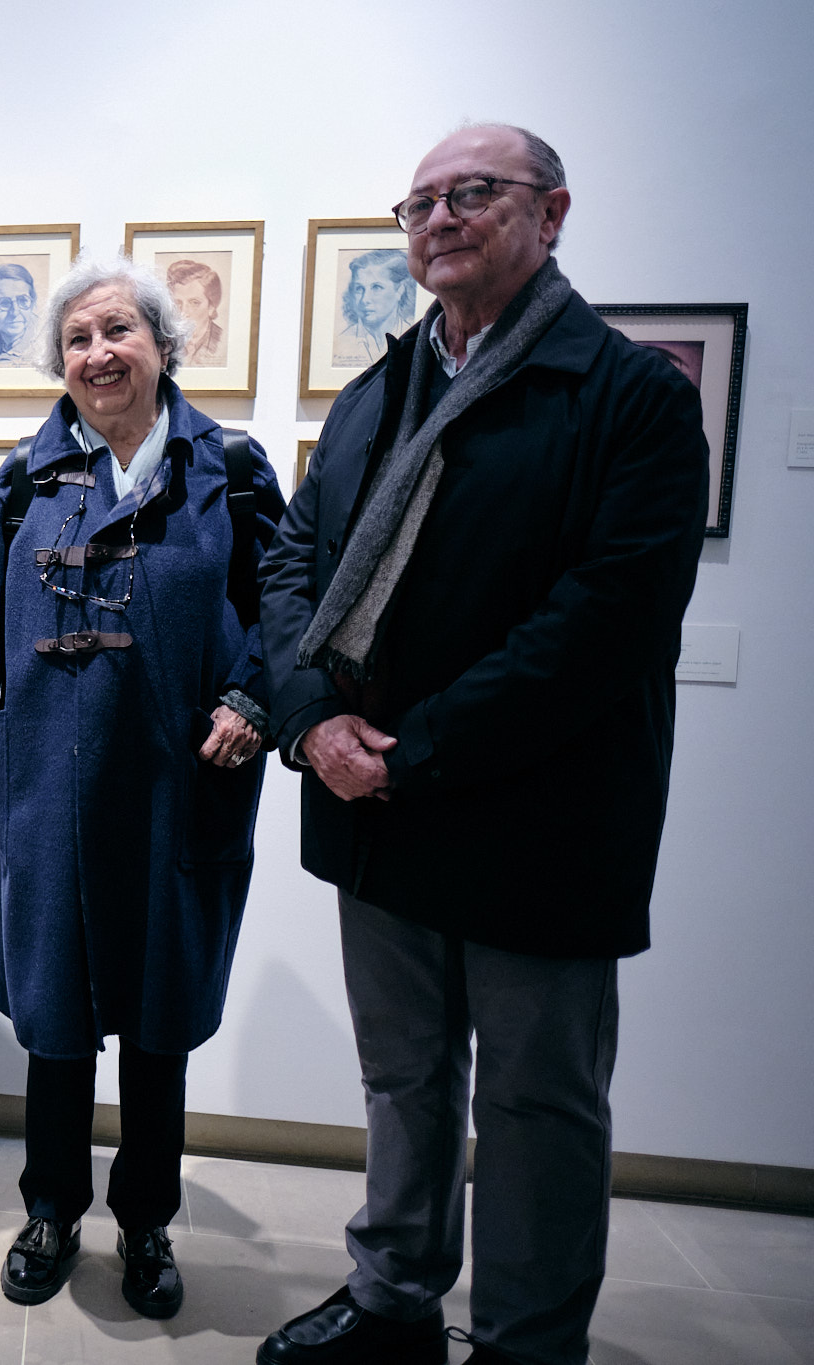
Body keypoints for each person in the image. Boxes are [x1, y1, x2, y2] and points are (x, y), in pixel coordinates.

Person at [255, 124, 707, 1365]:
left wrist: (414, 746)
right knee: (400, 1080)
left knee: (534, 1103)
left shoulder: (629, 395)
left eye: (471, 195)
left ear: (550, 213)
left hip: (537, 819)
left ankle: (522, 1339)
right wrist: (310, 723)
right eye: (417, 204)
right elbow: (292, 564)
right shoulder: (373, 394)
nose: (438, 220)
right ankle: (394, 1297)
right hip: (371, 803)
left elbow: (602, 623)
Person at [0, 250, 284, 1316]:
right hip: (45, 786)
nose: (96, 354)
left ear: (162, 347)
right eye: (76, 340)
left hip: (181, 787)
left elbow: (282, 610)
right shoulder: (25, 478)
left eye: (116, 332)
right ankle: (49, 1211)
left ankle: (146, 1223)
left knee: (158, 1020)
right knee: (53, 1018)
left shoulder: (228, 467)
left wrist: (251, 702)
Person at [332, 248, 420, 367]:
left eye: (376, 288)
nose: (365, 300)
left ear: (399, 290)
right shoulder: (343, 341)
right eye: (359, 289)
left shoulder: (417, 340)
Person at [165, 257, 228, 368]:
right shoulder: (163, 343)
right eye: (177, 303)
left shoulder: (224, 342)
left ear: (211, 307)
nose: (184, 312)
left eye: (194, 303)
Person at [0, 261, 39, 365]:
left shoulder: (44, 344)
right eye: (4, 303)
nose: (15, 312)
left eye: (23, 300)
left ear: (32, 302)